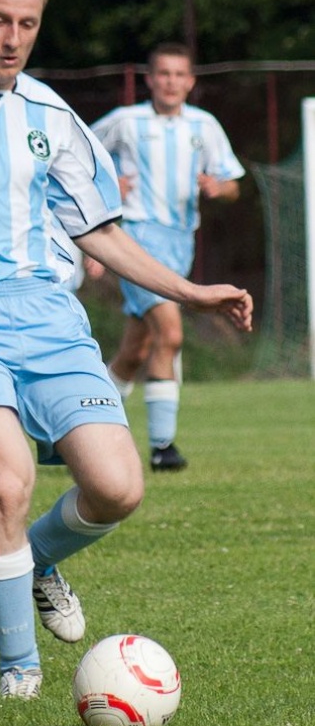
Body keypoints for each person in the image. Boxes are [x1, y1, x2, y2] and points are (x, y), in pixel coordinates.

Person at [0, 0, 253, 700]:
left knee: (117, 486)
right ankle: (18, 670)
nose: (12, 37)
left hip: (48, 321)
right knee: (6, 477)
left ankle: (30, 560)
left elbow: (101, 232)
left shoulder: (52, 117)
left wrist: (189, 290)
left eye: (27, 23)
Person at [92, 43, 245, 472]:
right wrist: (108, 184)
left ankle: (86, 429)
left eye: (180, 75)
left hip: (181, 240)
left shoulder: (204, 125)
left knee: (134, 350)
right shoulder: (127, 121)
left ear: (191, 81)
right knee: (171, 335)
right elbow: (79, 153)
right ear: (150, 79)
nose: (171, 82)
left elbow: (233, 181)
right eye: (163, 74)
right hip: (138, 239)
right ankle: (163, 448)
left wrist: (219, 188)